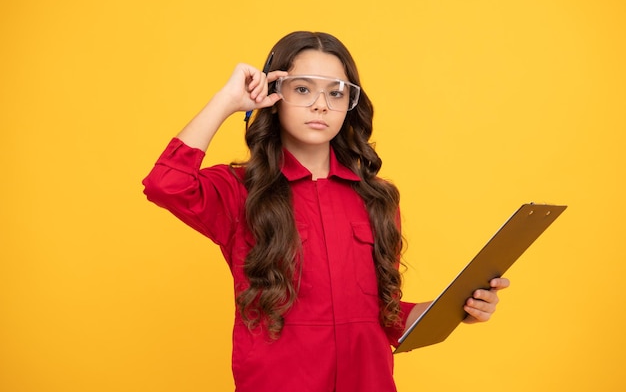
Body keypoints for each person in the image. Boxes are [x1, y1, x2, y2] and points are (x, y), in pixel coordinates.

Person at [142, 31, 509, 392]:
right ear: (275, 94)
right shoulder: (240, 192)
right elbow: (165, 184)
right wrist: (226, 101)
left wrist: (455, 308)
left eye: (336, 92)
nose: (321, 104)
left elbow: (385, 314)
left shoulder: (377, 199)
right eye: (303, 89)